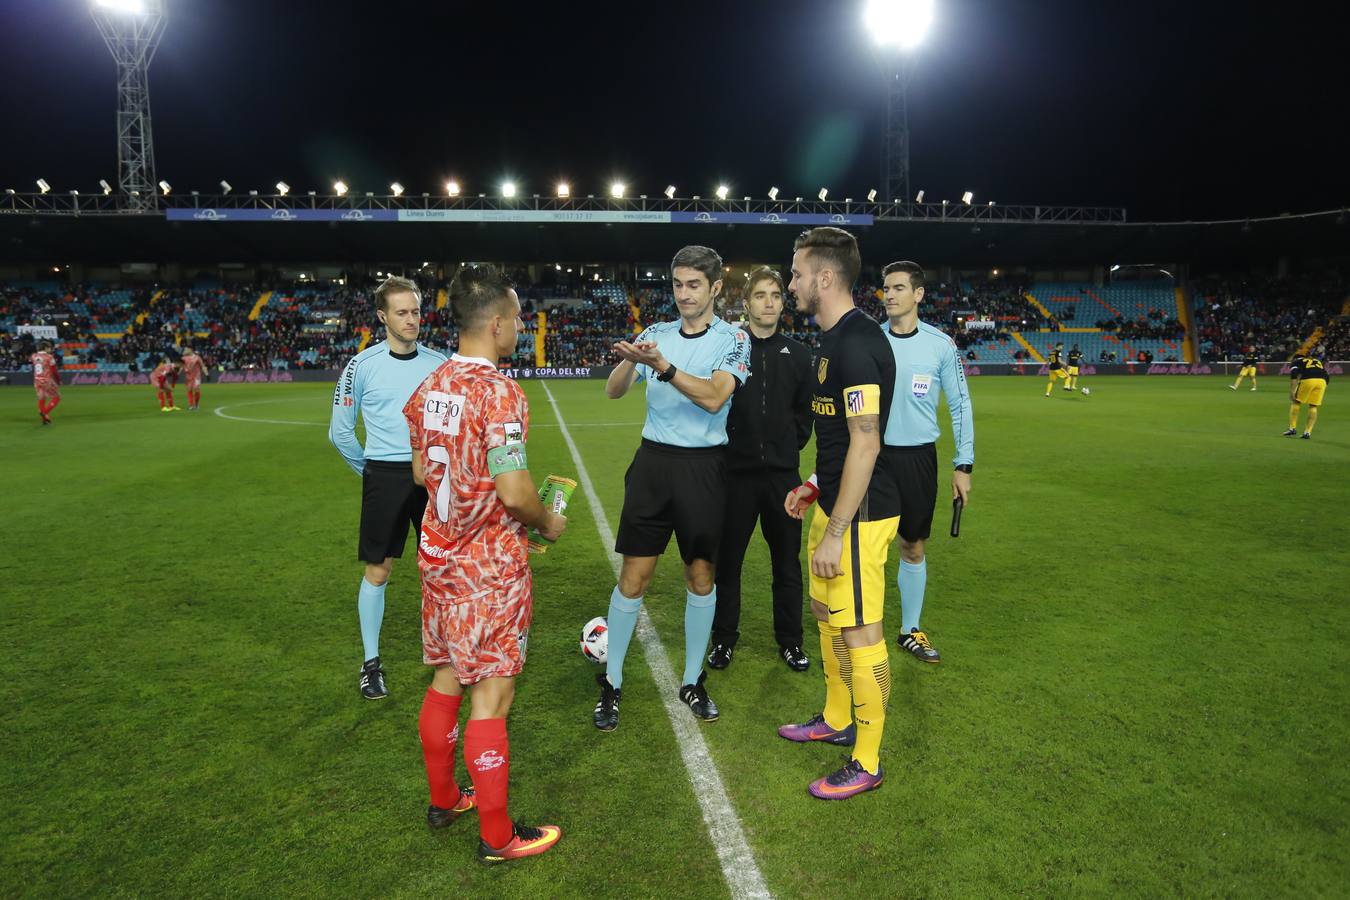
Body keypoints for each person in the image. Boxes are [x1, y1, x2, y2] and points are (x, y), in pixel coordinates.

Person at [403, 264, 565, 864]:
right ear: (497, 324)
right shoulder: (498, 392)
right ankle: (498, 836)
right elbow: (517, 492)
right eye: (518, 317)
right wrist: (547, 522)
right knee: (492, 697)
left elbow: (422, 473)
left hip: (438, 558)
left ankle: (445, 797)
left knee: (447, 675)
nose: (521, 326)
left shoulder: (431, 383)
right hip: (487, 568)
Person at [593, 245, 752, 732]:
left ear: (716, 288)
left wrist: (661, 367)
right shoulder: (656, 334)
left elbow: (714, 397)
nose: (683, 294)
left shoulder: (733, 339)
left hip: (704, 469)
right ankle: (612, 683)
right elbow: (614, 392)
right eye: (678, 284)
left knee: (701, 577)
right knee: (633, 578)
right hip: (654, 466)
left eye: (694, 285)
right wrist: (629, 360)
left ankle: (691, 680)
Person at [777, 226, 898, 800]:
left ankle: (867, 760)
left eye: (798, 274)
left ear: (824, 278)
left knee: (860, 628)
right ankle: (836, 715)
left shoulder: (857, 343)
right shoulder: (830, 340)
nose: (791, 283)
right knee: (828, 617)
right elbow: (837, 440)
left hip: (863, 513)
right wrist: (812, 485)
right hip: (834, 500)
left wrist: (839, 530)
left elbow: (867, 443)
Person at [329, 276, 448, 700]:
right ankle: (371, 663)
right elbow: (340, 433)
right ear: (382, 316)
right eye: (402, 312)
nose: (412, 319)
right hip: (385, 473)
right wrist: (372, 471)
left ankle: (449, 655)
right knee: (379, 569)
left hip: (434, 476)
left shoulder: (439, 363)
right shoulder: (360, 366)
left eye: (416, 310)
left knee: (443, 567)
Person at [708, 266, 814, 673]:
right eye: (760, 296)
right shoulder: (730, 350)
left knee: (786, 563)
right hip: (735, 476)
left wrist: (786, 448)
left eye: (775, 295)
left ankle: (791, 641)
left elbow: (805, 416)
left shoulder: (800, 354)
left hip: (783, 479)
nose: (768, 302)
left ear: (782, 303)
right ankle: (724, 640)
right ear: (746, 302)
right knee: (728, 562)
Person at [877, 261, 974, 664]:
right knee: (866, 548)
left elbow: (960, 404)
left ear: (918, 294)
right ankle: (859, 627)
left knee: (913, 546)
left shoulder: (941, 345)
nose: (890, 295)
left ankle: (908, 629)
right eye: (886, 288)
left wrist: (963, 464)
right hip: (873, 458)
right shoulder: (870, 340)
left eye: (899, 288)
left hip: (918, 458)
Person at [1283, 349, 1330, 439]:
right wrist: (1323, 386)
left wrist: (1292, 391)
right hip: (1322, 381)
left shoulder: (1296, 362)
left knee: (1296, 402)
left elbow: (1294, 374)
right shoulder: (1316, 361)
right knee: (1313, 406)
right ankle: (1307, 432)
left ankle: (1292, 428)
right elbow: (1327, 375)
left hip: (1309, 379)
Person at [30, 340, 61, 425]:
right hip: (47, 380)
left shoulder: (33, 356)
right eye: (49, 347)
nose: (50, 349)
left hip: (36, 380)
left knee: (41, 398)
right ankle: (45, 412)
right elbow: (54, 370)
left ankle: (45, 419)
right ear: (45, 348)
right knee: (56, 397)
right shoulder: (49, 357)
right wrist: (58, 380)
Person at [181, 346, 206, 410]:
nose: (185, 350)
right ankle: (191, 405)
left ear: (190, 350)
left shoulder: (197, 357)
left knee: (196, 389)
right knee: (189, 389)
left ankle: (197, 405)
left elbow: (202, 366)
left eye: (186, 349)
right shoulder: (183, 358)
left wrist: (207, 374)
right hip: (188, 376)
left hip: (196, 376)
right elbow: (181, 366)